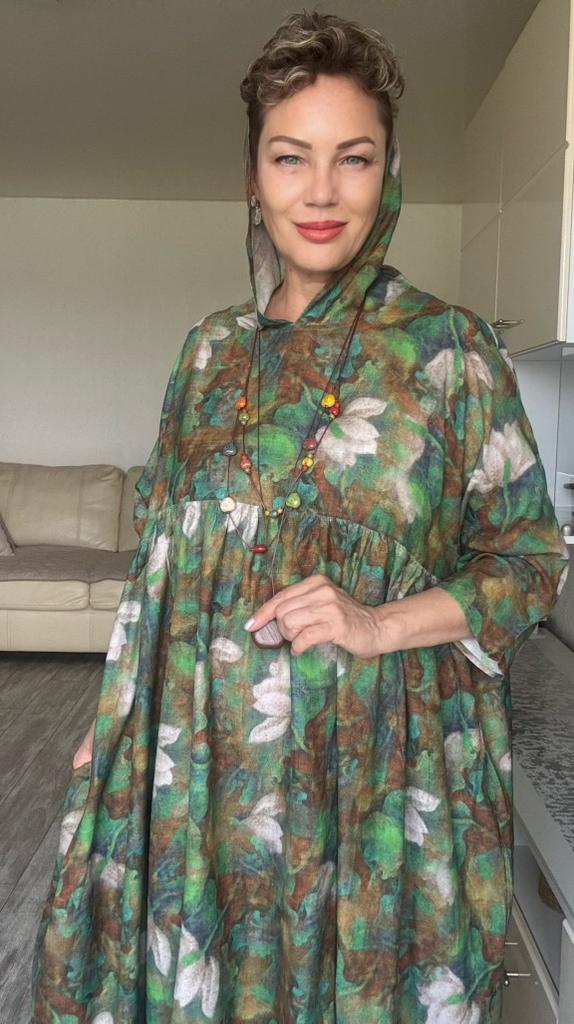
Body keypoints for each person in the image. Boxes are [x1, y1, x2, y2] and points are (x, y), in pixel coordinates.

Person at [31, 9, 570, 1023]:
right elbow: (162, 563)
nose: (321, 192)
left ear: (388, 173)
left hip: (375, 793)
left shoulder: (450, 351)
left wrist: (378, 621)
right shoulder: (207, 353)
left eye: (352, 158)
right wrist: (117, 715)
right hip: (200, 790)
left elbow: (531, 559)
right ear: (253, 175)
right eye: (291, 157)